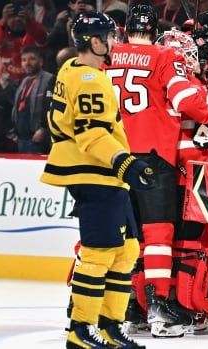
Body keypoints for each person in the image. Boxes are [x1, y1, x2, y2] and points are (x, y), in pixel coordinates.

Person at [106, 4, 208, 338]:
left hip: (114, 156)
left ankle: (127, 306)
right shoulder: (162, 57)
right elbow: (187, 101)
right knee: (157, 236)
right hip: (153, 157)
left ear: (126, 29)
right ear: (155, 31)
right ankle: (158, 309)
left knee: (127, 237)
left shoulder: (110, 57)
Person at [40, 11, 152, 349]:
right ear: (95, 41)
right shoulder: (90, 79)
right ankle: (81, 328)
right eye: (110, 36)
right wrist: (125, 163)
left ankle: (109, 326)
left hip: (102, 174)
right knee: (100, 252)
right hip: (95, 172)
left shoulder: (70, 69)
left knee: (127, 249)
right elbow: (91, 135)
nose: (115, 42)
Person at [0, 2, 48, 82]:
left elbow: (42, 38)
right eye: (12, 17)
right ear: (6, 20)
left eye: (20, 16)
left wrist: (29, 22)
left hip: (32, 81)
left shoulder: (33, 32)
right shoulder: (0, 32)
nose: (17, 19)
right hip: (5, 84)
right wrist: (2, 22)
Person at [11, 45, 53, 154]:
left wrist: (44, 130)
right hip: (21, 139)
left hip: (39, 139)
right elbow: (16, 108)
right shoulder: (24, 81)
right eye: (24, 60)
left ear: (41, 61)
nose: (27, 63)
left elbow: (52, 108)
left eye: (32, 59)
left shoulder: (50, 80)